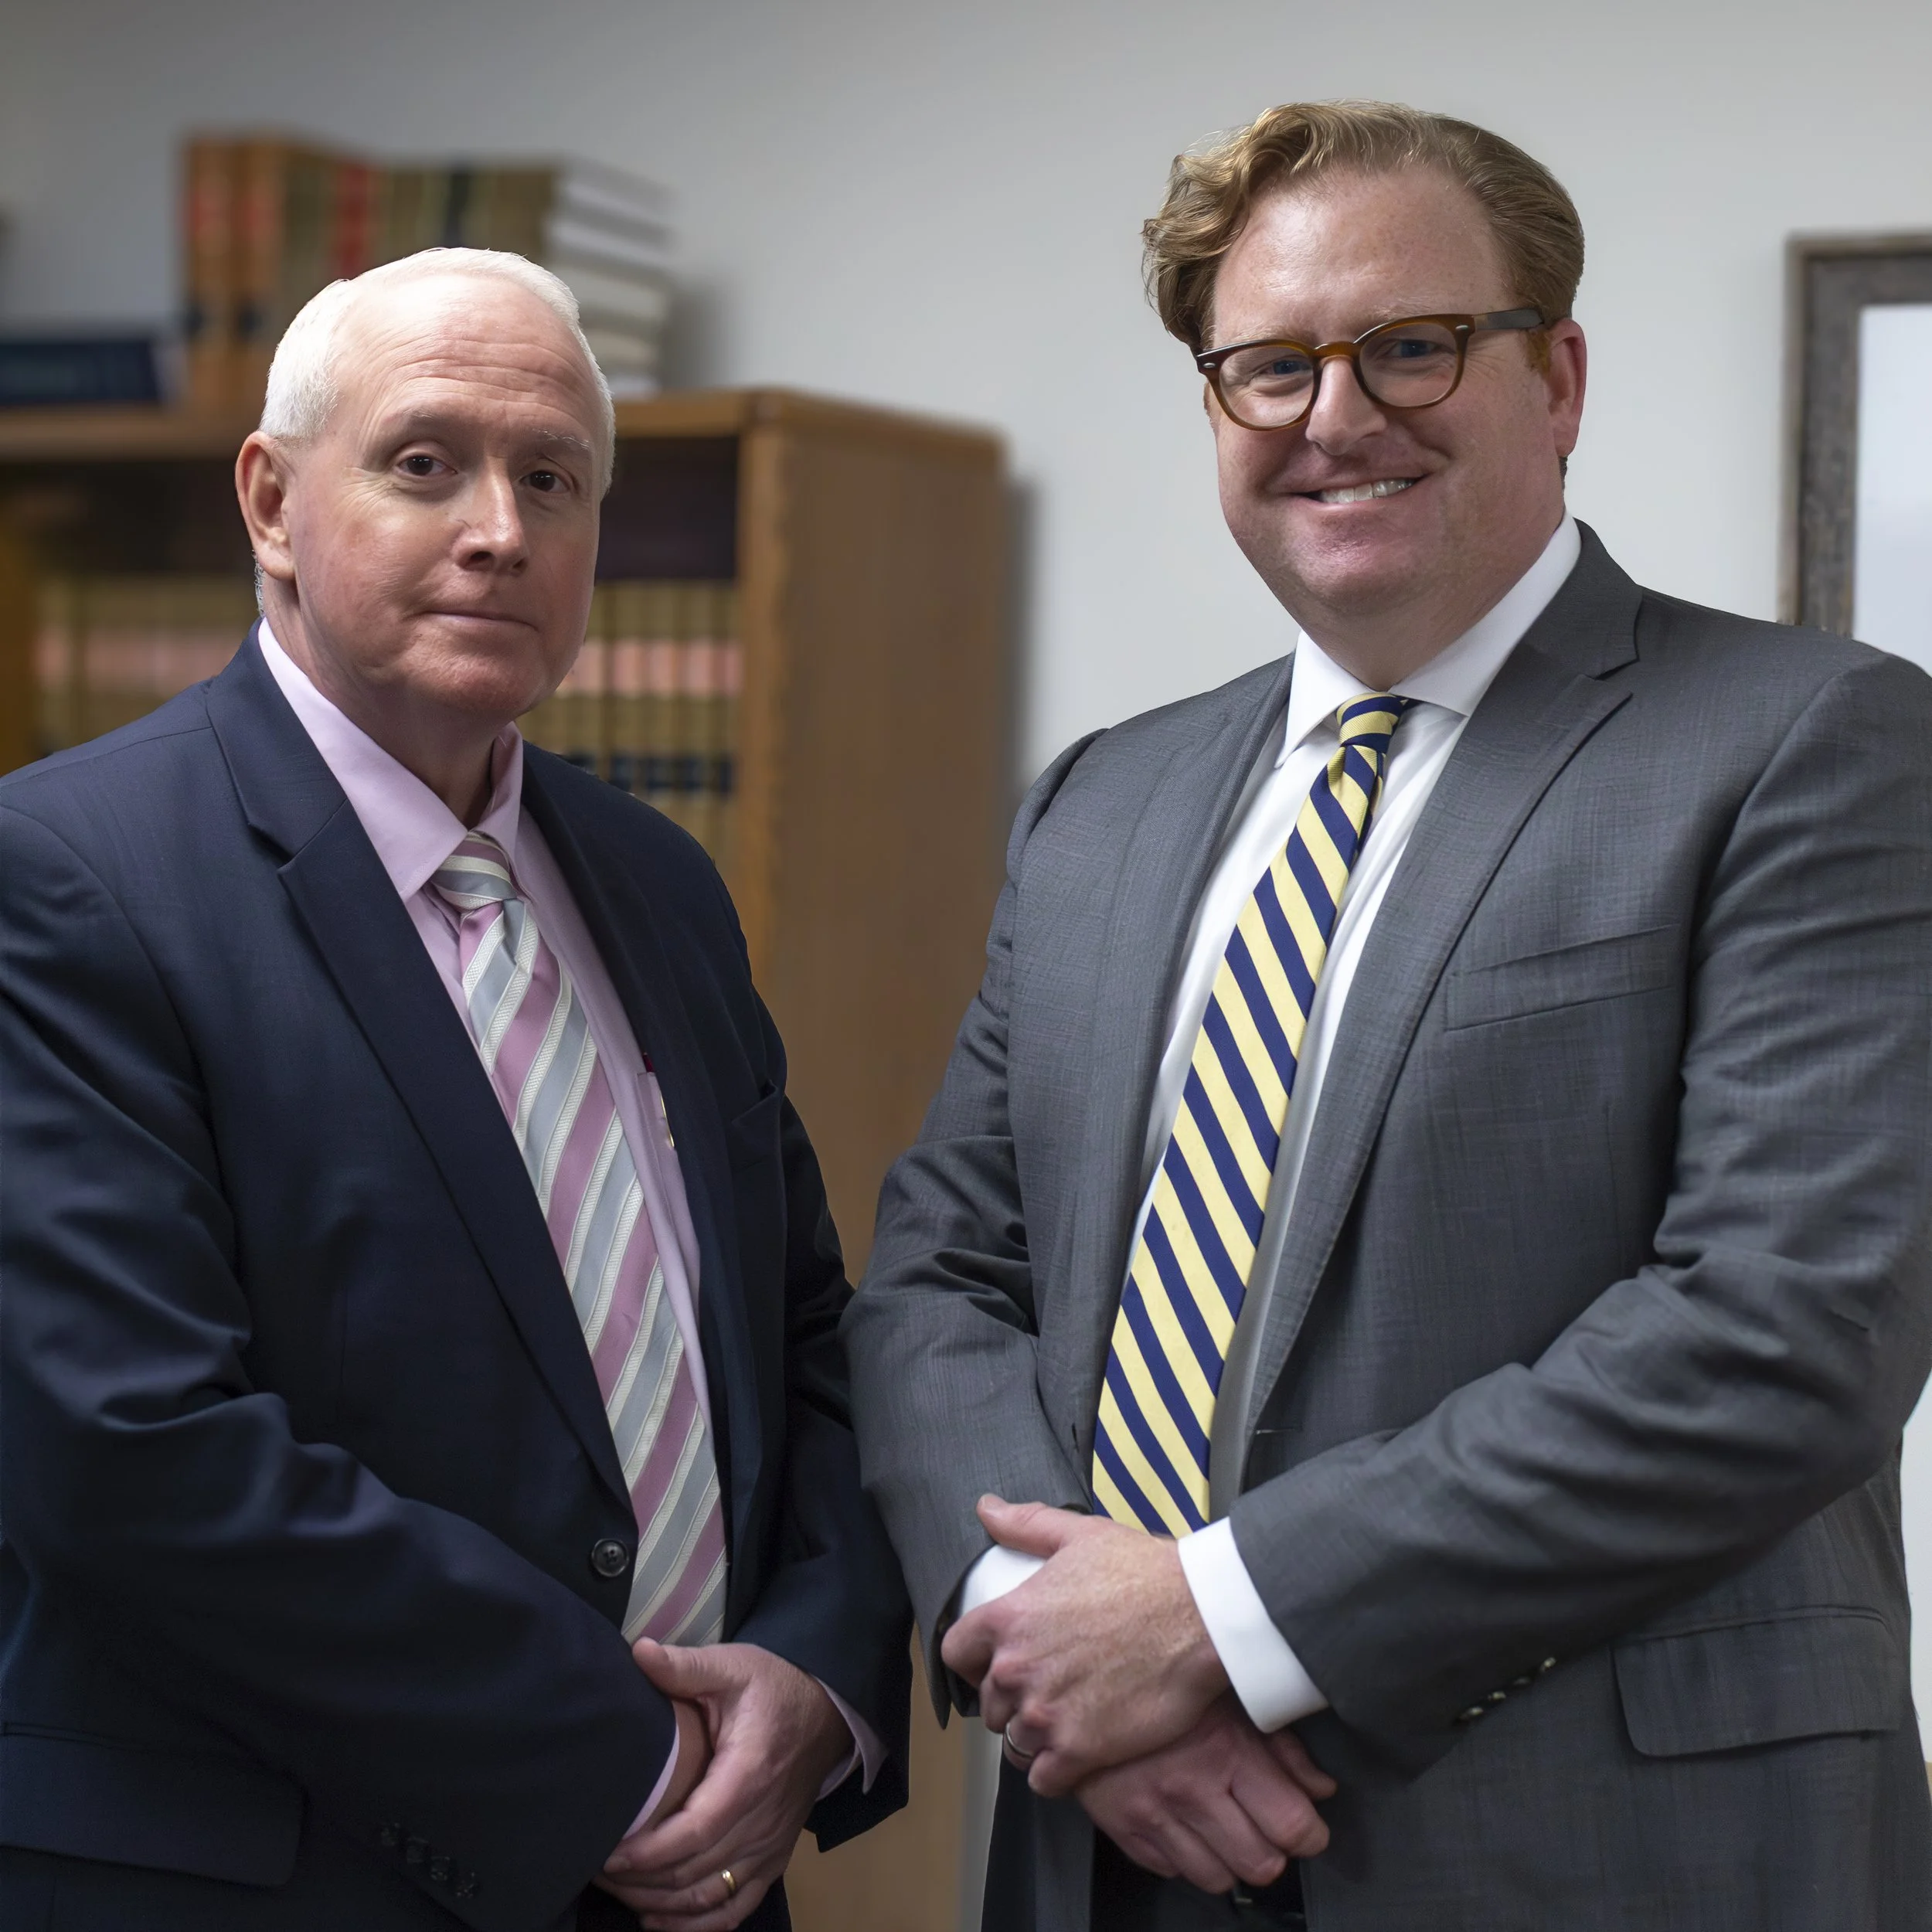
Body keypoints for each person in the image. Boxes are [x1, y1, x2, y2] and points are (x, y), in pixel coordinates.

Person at [843, 100, 1932, 1931]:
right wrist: (1069, 1652)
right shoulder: (1099, 801)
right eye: (1266, 366)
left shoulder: (1804, 742)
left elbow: (1784, 1321)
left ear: (1556, 376)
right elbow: (938, 1279)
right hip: (1114, 1841)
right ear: (1211, 409)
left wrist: (1220, 1618)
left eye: (1408, 344)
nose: (1334, 414)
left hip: (1595, 1848)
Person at [0, 248, 910, 1932]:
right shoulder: (65, 875)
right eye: (425, 462)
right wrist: (630, 1757)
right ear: (272, 502)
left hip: (699, 1870)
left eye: (552, 477)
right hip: (292, 1879)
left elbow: (803, 1343)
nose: (501, 526)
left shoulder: (659, 880)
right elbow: (132, 1453)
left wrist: (808, 1683)